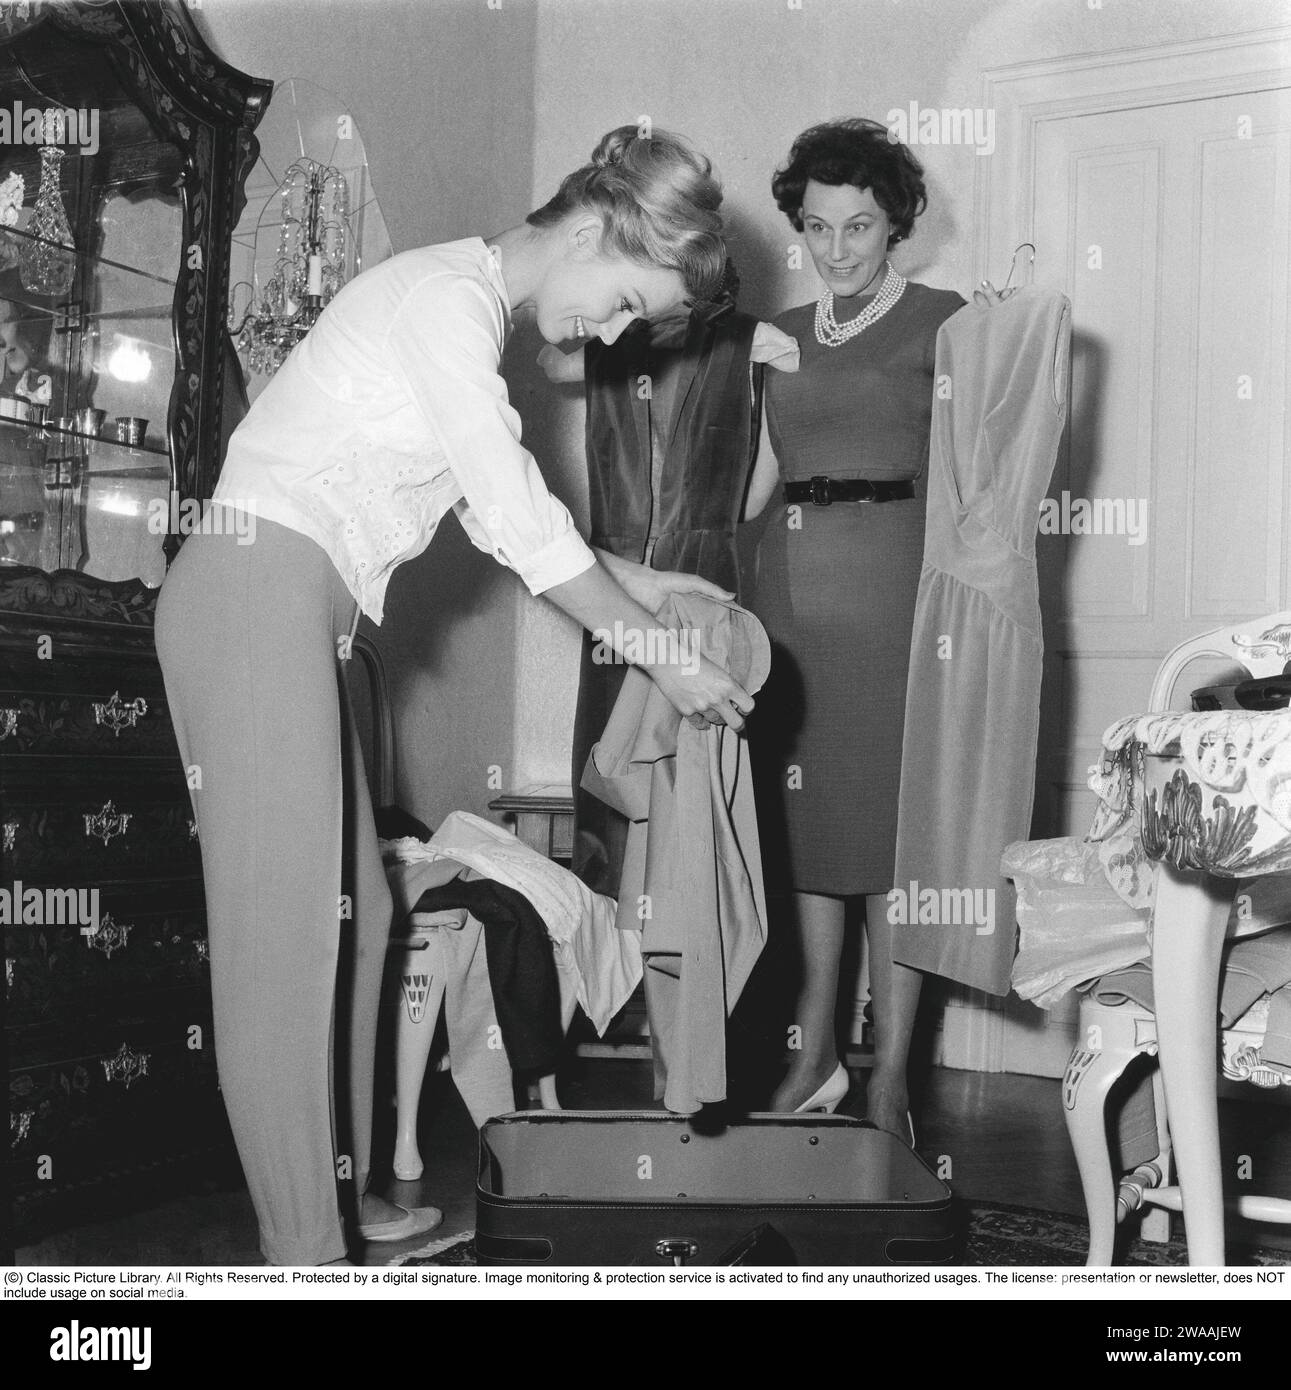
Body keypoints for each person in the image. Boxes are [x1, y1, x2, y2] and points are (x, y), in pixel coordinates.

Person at [154, 126, 754, 1266]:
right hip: (251, 593)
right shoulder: (441, 299)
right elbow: (520, 519)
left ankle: (346, 1198)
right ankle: (303, 1255)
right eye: (626, 299)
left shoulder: (460, 313)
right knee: (286, 949)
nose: (616, 335)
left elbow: (503, 513)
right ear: (590, 228)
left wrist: (654, 590)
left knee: (366, 915)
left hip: (303, 610)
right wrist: (655, 651)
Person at [742, 118, 965, 1137]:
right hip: (791, 599)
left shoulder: (944, 319)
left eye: (860, 225)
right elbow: (751, 484)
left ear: (896, 226)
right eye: (819, 227)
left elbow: (987, 471)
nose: (837, 249)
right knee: (809, 835)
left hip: (897, 595)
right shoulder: (775, 334)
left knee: (891, 844)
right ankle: (816, 1048)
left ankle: (890, 1074)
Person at [540, 260, 797, 896]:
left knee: (644, 769)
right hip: (653, 586)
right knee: (664, 770)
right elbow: (755, 500)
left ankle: (637, 948)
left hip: (640, 590)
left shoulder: (618, 349)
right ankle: (668, 954)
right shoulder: (743, 344)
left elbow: (551, 360)